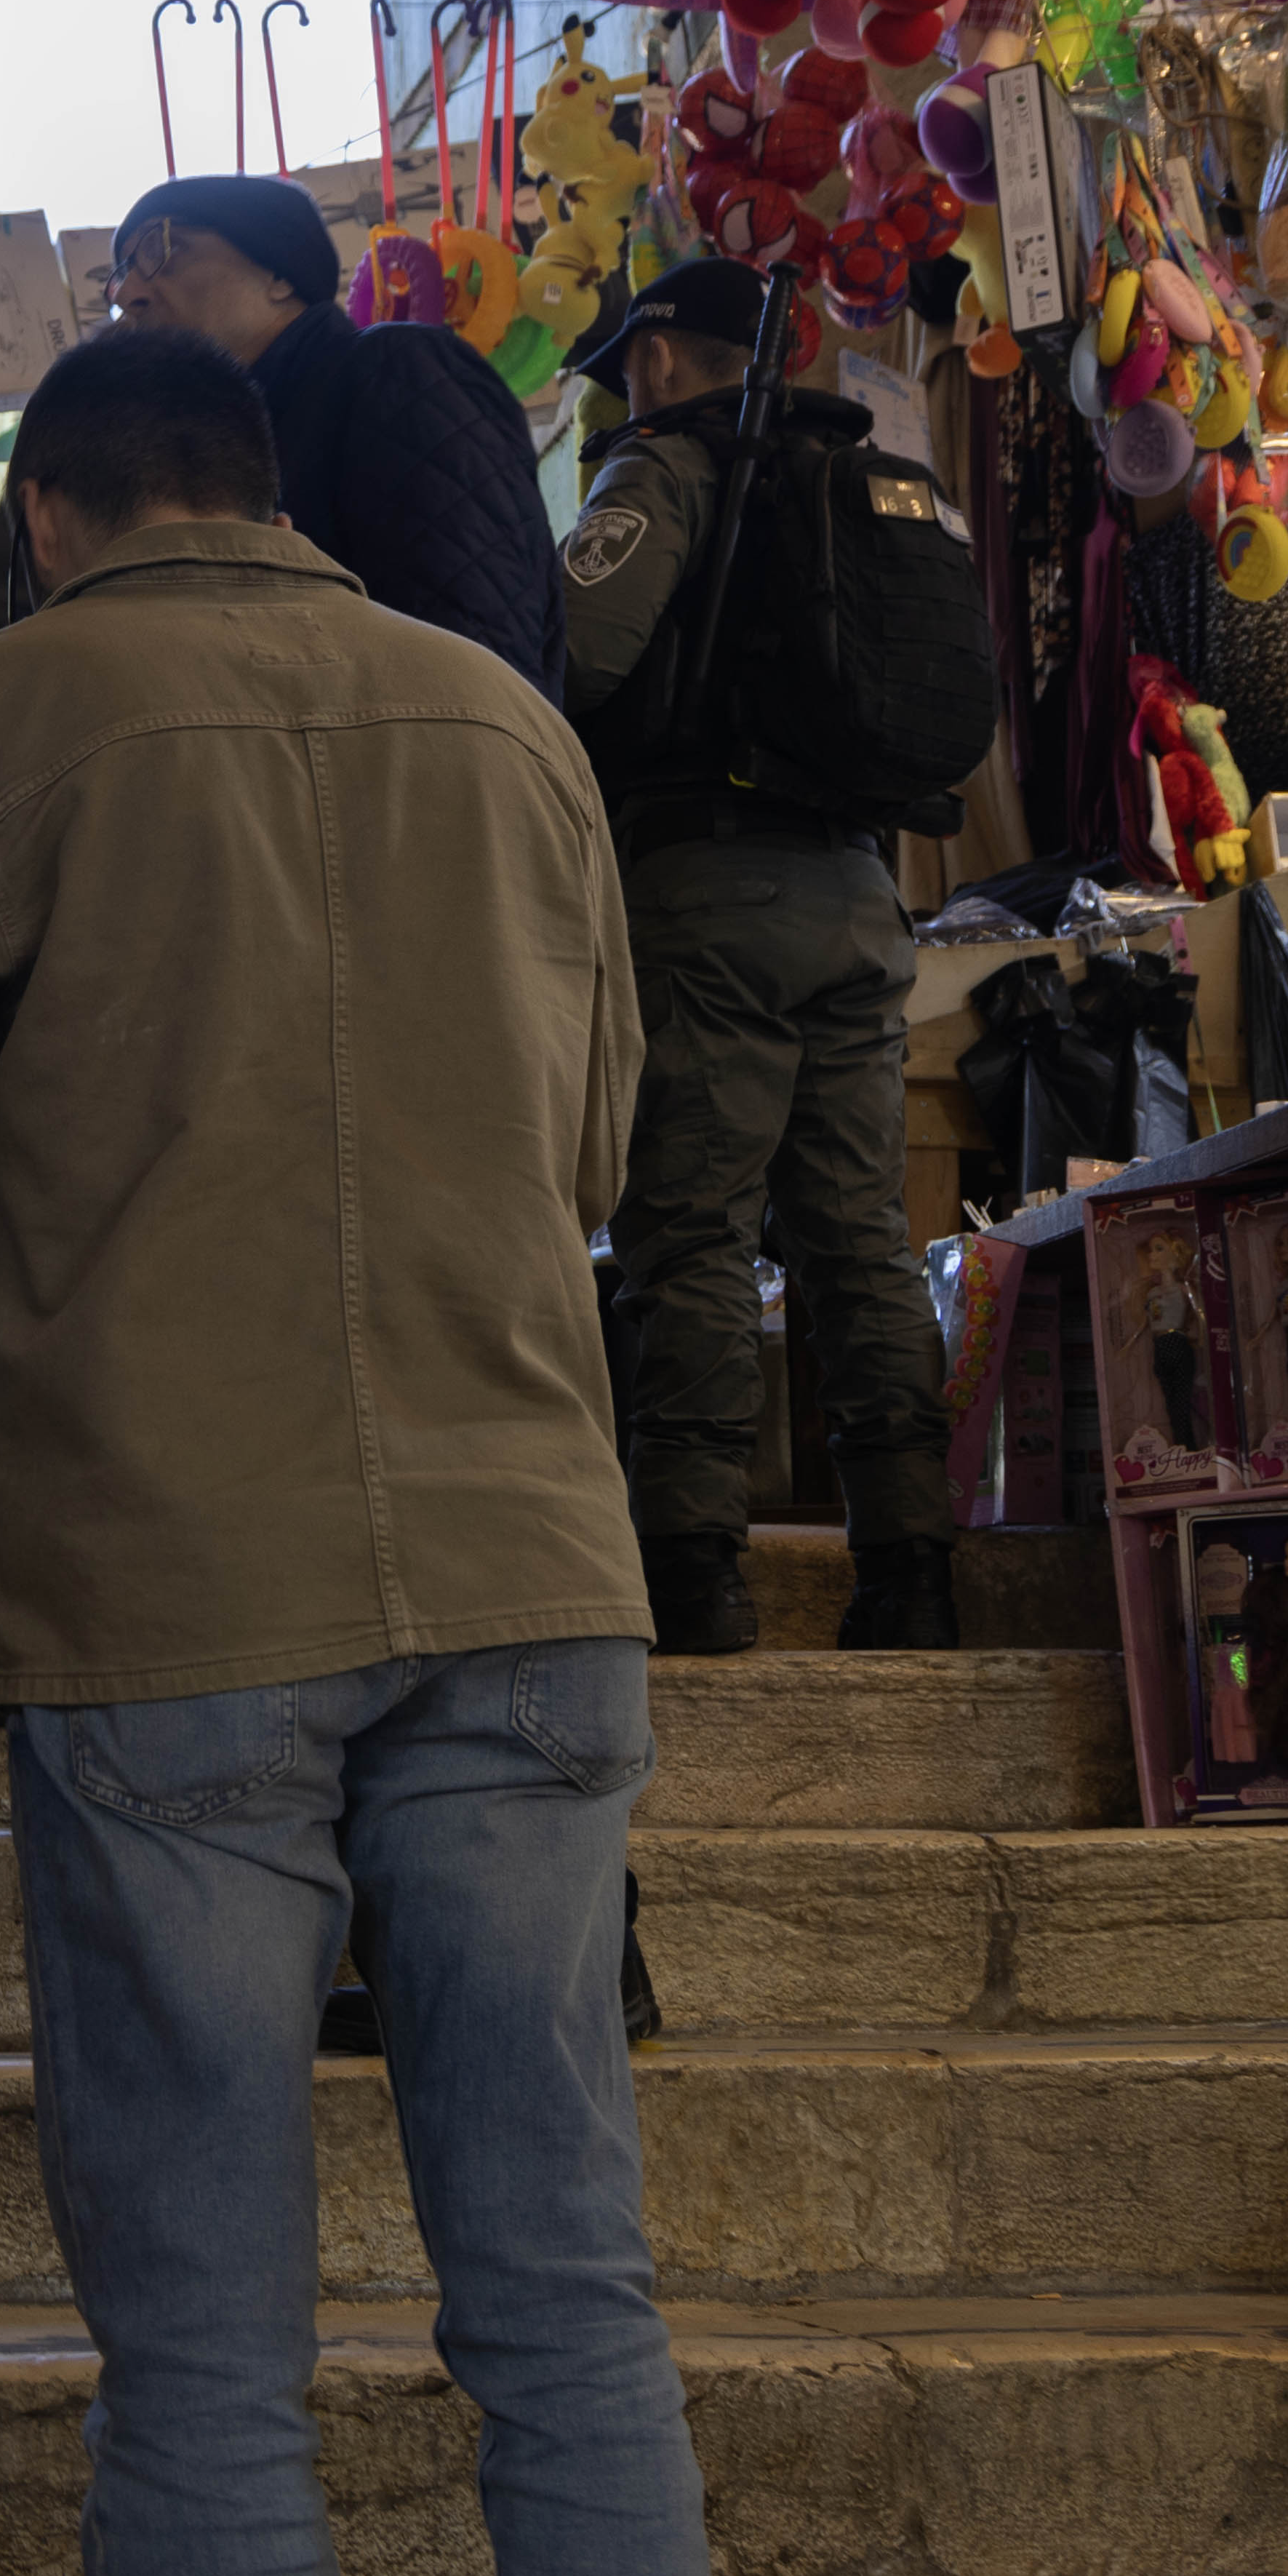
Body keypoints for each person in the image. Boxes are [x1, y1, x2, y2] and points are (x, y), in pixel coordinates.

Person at [0, 325, 713, 2576]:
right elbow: (608, 1137)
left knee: (206, 2363)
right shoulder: (506, 725)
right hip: (529, 1564)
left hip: (180, 1584)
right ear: (263, 489)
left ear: (57, 513)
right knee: (568, 2311)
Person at [550, 256, 967, 1657]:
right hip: (862, 892)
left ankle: (693, 1570)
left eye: (627, 361)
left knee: (694, 1231)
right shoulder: (860, 469)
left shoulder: (661, 471)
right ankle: (911, 1564)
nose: (621, 383)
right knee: (861, 1243)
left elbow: (578, 651)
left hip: (707, 893)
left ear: (664, 355)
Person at [98, 170, 559, 691]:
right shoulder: (234, 453)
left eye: (163, 248)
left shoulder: (397, 369)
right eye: (121, 274)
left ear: (280, 274)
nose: (131, 292)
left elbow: (483, 664)